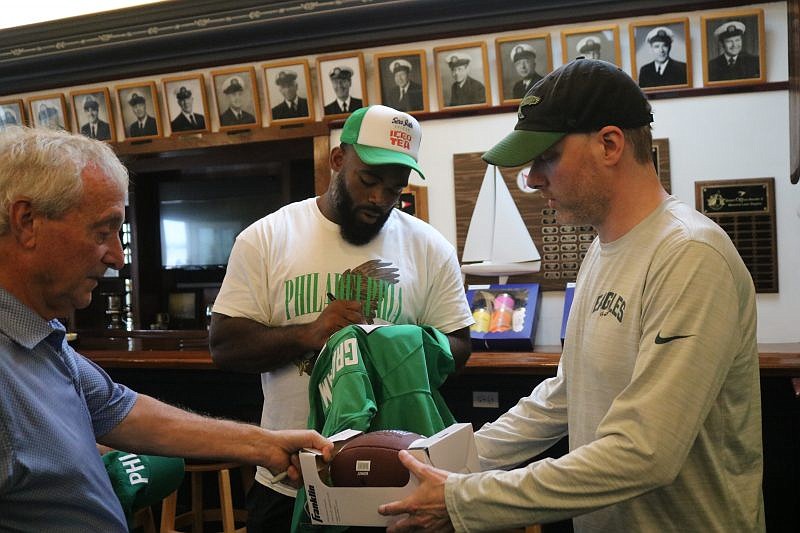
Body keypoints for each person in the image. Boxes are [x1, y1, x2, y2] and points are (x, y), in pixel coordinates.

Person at [379, 59, 764, 532]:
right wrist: (434, 459)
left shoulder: (689, 254)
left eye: (547, 156)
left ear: (609, 144)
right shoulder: (602, 250)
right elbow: (563, 396)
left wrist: (465, 498)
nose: (535, 178)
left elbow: (644, 452)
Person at [0, 125, 333, 532]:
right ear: (27, 221)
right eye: (103, 231)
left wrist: (264, 444)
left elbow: (118, 410)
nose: (118, 259)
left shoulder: (39, 336)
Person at [209, 104, 474, 533]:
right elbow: (224, 345)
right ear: (337, 160)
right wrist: (309, 334)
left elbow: (459, 349)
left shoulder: (429, 247)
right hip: (287, 478)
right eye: (368, 180)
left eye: (394, 189)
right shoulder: (267, 237)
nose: (379, 199)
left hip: (393, 481)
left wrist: (396, 344)